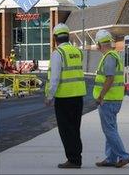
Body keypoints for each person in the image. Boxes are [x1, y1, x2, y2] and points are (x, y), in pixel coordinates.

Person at [44, 23, 86, 168]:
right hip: (78, 97)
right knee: (75, 128)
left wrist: (50, 96)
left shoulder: (58, 53)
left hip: (64, 98)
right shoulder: (77, 52)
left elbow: (54, 78)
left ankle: (73, 160)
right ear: (68, 36)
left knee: (66, 130)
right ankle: (77, 158)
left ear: (55, 38)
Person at [94, 29, 129, 168]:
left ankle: (124, 156)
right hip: (114, 99)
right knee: (111, 129)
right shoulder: (115, 55)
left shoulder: (109, 57)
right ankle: (110, 158)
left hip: (108, 100)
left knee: (109, 130)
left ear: (99, 44)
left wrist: (100, 96)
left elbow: (109, 78)